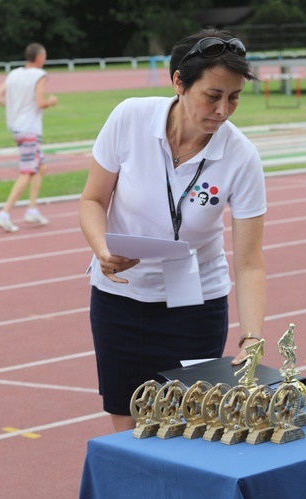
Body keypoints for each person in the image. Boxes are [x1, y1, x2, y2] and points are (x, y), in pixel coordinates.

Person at [79, 28, 267, 432]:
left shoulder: (241, 157)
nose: (223, 110)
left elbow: (250, 262)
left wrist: (252, 337)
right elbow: (92, 201)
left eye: (234, 98)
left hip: (195, 308)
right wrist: (101, 250)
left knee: (187, 425)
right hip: (120, 300)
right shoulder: (129, 118)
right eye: (212, 95)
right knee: (129, 423)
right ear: (179, 82)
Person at [0, 43, 58, 232]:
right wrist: (51, 101)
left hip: (18, 127)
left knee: (41, 166)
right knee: (27, 171)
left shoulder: (13, 74)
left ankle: (32, 209)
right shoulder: (40, 75)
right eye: (44, 56)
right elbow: (41, 102)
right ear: (39, 58)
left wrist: (15, 109)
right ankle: (4, 213)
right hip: (29, 129)